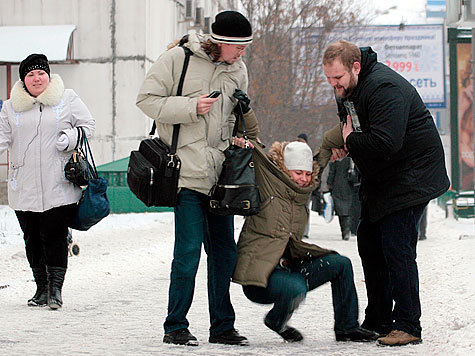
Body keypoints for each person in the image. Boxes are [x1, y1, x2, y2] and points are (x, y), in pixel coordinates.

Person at [136, 11, 256, 347]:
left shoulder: (239, 71)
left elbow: (232, 117)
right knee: (188, 252)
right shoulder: (178, 58)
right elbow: (146, 100)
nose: (243, 53)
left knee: (224, 255)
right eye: (239, 47)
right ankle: (175, 325)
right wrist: (191, 107)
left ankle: (222, 327)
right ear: (221, 42)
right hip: (185, 173)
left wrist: (236, 136)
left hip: (220, 175)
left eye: (246, 47)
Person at [322, 39, 450, 346]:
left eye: (337, 78)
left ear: (355, 67)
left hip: (412, 177)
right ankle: (379, 320)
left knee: (397, 248)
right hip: (384, 178)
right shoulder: (351, 89)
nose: (333, 85)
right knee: (369, 243)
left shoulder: (384, 87)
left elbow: (385, 142)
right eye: (328, 78)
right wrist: (345, 145)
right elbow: (351, 129)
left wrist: (350, 142)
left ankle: (408, 324)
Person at [233, 141, 378, 343]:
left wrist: (350, 127)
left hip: (290, 267)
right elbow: (254, 148)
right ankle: (277, 321)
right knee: (296, 287)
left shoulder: (301, 195)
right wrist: (241, 138)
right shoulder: (268, 186)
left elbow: (325, 149)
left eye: (307, 174)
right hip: (262, 275)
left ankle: (347, 328)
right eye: (298, 173)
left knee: (341, 264)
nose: (303, 179)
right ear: (285, 169)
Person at [0, 53, 95, 309]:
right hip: (24, 184)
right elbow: (2, 138)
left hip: (59, 183)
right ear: (23, 80)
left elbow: (88, 126)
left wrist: (71, 137)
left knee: (53, 235)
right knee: (31, 237)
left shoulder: (67, 98)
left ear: (49, 75)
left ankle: (55, 290)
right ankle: (40, 288)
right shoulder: (11, 107)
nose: (36, 78)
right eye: (30, 74)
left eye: (41, 72)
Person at [327, 156, 354, 240]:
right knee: (347, 210)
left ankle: (344, 231)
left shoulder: (335, 159)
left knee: (340, 211)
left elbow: (331, 172)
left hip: (337, 186)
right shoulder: (351, 159)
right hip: (349, 186)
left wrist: (329, 184)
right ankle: (347, 230)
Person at [296, 132, 311, 238]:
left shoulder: (308, 153)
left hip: (306, 185)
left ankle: (304, 231)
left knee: (304, 208)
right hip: (297, 184)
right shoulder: (295, 152)